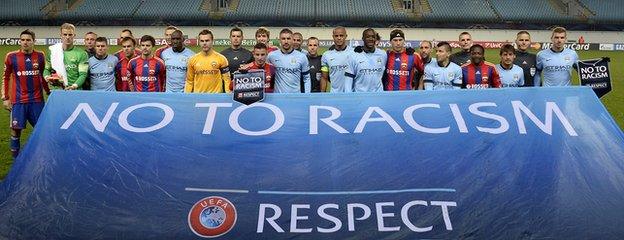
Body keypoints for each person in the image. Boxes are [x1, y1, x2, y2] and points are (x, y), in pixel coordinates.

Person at [2, 29, 49, 158]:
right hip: (18, 101)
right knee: (15, 131)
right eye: (22, 40)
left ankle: (41, 157)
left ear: (34, 41)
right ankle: (15, 161)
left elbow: (44, 76)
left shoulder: (40, 56)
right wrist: (5, 98)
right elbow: (5, 78)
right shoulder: (11, 56)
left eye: (28, 40)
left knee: (42, 130)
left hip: (37, 100)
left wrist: (49, 92)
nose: (25, 42)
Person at [43, 23, 89, 90]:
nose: (67, 37)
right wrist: (47, 77)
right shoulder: (53, 51)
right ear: (61, 35)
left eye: (70, 35)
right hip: (57, 90)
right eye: (65, 34)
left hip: (75, 91)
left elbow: (83, 75)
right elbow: (47, 69)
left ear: (74, 36)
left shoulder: (82, 54)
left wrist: (74, 86)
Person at [267, 28, 311, 93]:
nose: (286, 41)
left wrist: (307, 95)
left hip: (295, 97)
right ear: (280, 40)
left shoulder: (302, 57)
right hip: (278, 97)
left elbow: (306, 78)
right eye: (283, 39)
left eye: (288, 38)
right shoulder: (271, 56)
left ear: (292, 40)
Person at [320, 26, 353, 92]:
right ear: (333, 37)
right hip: (334, 94)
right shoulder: (326, 55)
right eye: (336, 36)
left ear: (346, 36)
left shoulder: (353, 53)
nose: (339, 38)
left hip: (350, 95)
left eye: (341, 35)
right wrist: (322, 95)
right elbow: (324, 78)